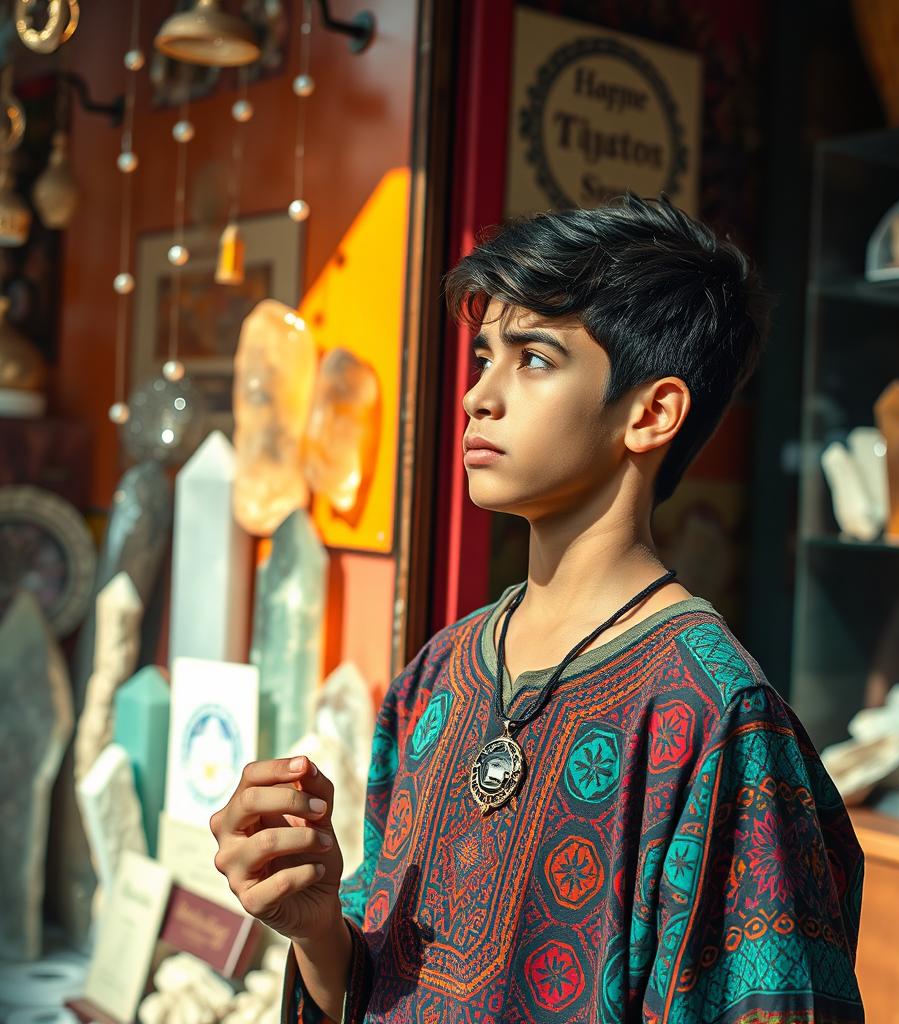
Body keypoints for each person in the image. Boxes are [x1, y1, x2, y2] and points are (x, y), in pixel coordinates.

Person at [210, 193, 865, 1023]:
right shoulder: (433, 679)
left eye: (535, 360)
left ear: (652, 412)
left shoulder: (714, 717)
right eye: (484, 357)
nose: (478, 396)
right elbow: (369, 994)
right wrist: (312, 930)